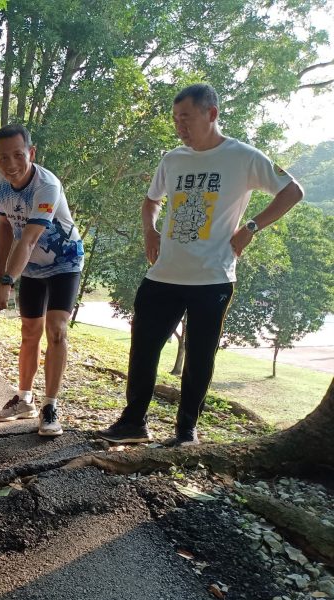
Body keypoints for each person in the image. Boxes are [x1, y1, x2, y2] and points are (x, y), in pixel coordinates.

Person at [98, 83, 303, 446]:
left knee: (200, 355)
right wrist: (151, 231)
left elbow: (292, 191)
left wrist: (252, 226)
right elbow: (151, 201)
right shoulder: (173, 159)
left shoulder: (243, 157)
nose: (180, 127)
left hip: (212, 277)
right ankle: (133, 423)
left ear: (212, 114)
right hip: (163, 274)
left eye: (187, 118)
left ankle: (186, 430)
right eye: (176, 120)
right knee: (143, 347)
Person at [0, 124, 84, 437]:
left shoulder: (47, 186)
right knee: (29, 331)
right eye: (3, 157)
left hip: (64, 262)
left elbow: (28, 238)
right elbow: (4, 227)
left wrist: (6, 283)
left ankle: (50, 405)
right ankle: (24, 400)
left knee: (56, 330)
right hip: (29, 268)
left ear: (32, 152)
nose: (11, 163)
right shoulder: (0, 184)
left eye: (18, 155)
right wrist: (0, 273)